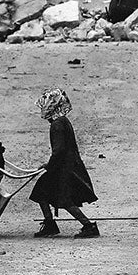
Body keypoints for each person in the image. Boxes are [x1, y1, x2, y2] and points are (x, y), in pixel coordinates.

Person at [30, 89, 99, 238]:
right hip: (67, 165)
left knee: (61, 198)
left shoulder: (57, 125)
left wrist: (50, 165)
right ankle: (52, 224)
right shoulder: (62, 121)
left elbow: (59, 150)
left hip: (64, 168)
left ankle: (87, 225)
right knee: (46, 192)